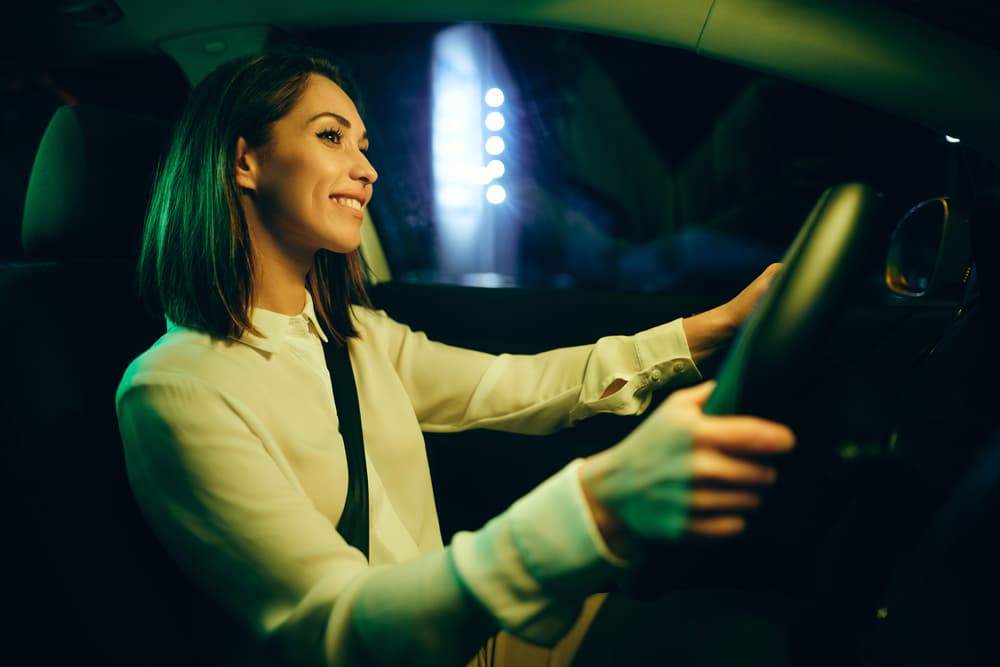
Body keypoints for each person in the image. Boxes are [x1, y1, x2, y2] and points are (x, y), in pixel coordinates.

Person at [115, 47, 795, 667]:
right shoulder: (175, 388)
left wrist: (716, 327)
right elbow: (335, 624)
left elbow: (519, 384)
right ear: (245, 161)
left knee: (751, 628)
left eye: (365, 143)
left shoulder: (355, 335)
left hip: (472, 643)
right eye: (330, 136)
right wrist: (593, 506)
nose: (367, 167)